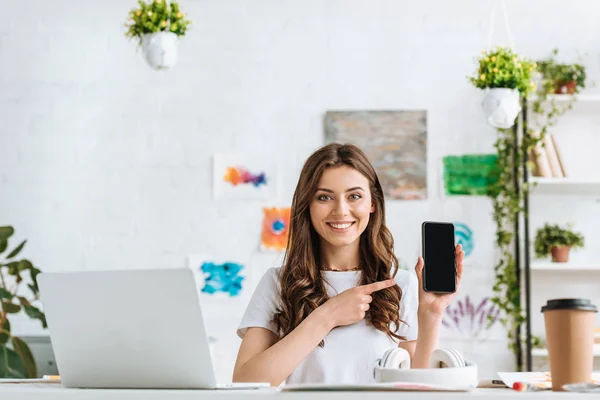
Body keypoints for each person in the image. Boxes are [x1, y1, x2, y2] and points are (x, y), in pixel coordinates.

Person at [232, 143, 464, 386]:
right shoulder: (278, 283)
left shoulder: (400, 283)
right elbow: (245, 383)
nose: (341, 210)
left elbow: (418, 390)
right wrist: (328, 315)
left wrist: (431, 314)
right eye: (324, 197)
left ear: (372, 204)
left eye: (354, 196)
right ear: (307, 205)